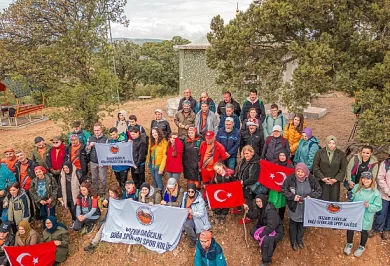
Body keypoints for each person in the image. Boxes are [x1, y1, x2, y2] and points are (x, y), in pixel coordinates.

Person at [282, 163, 322, 251]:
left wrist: (311, 196)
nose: (300, 173)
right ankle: (293, 241)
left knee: (303, 224)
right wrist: (293, 197)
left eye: (302, 172)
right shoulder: (291, 178)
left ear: (306, 172)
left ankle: (299, 240)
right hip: (294, 206)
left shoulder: (311, 178)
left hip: (307, 206)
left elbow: (319, 190)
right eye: (298, 171)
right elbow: (284, 190)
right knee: (293, 223)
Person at [343, 172, 382, 257]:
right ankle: (349, 243)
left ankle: (362, 246)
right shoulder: (357, 187)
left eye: (368, 178)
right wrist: (350, 196)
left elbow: (378, 207)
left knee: (364, 231)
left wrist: (369, 206)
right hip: (354, 213)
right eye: (363, 178)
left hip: (366, 215)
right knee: (350, 228)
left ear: (372, 180)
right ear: (361, 179)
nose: (365, 180)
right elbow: (352, 197)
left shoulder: (375, 193)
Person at [244, 194, 284, 266]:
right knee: (252, 231)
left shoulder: (270, 211)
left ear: (264, 201)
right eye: (257, 202)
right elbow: (253, 215)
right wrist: (247, 211)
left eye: (260, 201)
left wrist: (261, 234)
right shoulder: (260, 208)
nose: (258, 203)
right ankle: (262, 241)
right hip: (265, 226)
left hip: (277, 231)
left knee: (267, 240)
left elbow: (271, 226)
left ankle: (265, 261)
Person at [84, 184, 123, 254]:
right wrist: (105, 202)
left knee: (102, 228)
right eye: (110, 193)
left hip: (116, 220)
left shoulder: (120, 201)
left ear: (117, 193)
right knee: (102, 227)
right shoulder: (110, 198)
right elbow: (106, 202)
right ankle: (93, 244)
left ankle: (93, 244)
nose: (110, 194)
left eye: (112, 193)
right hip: (109, 218)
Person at [313, 135, 346, 202]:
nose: (331, 145)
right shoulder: (319, 153)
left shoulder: (341, 154)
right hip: (322, 182)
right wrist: (323, 178)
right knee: (322, 199)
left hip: (334, 183)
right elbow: (315, 167)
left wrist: (336, 179)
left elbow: (343, 168)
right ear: (326, 143)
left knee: (333, 201)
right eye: (329, 143)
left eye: (333, 143)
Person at [235, 145, 260, 224]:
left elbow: (253, 178)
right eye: (244, 153)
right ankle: (239, 209)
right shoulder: (243, 160)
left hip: (248, 185)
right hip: (241, 183)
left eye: (247, 153)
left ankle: (249, 216)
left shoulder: (255, 164)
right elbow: (239, 171)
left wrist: (244, 182)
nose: (246, 155)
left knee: (248, 199)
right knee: (239, 195)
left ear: (252, 153)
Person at [181, 184, 211, 248]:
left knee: (187, 225)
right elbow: (182, 206)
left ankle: (194, 240)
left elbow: (201, 214)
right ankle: (193, 235)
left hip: (197, 219)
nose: (190, 193)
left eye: (192, 192)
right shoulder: (185, 197)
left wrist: (193, 212)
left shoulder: (200, 200)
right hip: (187, 217)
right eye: (189, 191)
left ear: (195, 191)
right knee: (186, 225)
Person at [269, 150, 293, 220]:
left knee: (282, 203)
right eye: (280, 155)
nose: (282, 157)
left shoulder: (289, 165)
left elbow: (291, 177)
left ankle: (280, 218)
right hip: (274, 187)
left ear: (286, 156)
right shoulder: (274, 163)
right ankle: (271, 217)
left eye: (283, 155)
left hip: (283, 188)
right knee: (272, 202)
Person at [86, 123, 108, 198]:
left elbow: (108, 152)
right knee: (94, 178)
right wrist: (89, 146)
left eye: (98, 130)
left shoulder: (105, 139)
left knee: (102, 179)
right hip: (93, 161)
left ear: (101, 130)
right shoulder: (90, 138)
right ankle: (95, 192)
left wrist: (104, 161)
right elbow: (86, 151)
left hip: (102, 162)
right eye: (95, 130)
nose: (96, 132)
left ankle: (103, 193)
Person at [371, 151, 390, 239]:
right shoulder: (385, 164)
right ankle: (377, 228)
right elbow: (380, 178)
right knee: (381, 212)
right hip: (384, 194)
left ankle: (386, 229)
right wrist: (388, 191)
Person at [14, 151, 37, 218]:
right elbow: (17, 177)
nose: (20, 157)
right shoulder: (17, 165)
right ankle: (31, 215)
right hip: (23, 187)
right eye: (18, 156)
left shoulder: (33, 164)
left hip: (33, 186)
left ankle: (39, 215)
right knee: (27, 202)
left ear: (25, 155)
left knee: (36, 201)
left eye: (21, 155)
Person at [58, 162, 80, 228]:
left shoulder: (77, 173)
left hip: (75, 195)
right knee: (70, 208)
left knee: (74, 209)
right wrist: (59, 195)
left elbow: (82, 183)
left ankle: (77, 221)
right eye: (64, 168)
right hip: (67, 196)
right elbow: (59, 186)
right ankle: (74, 220)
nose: (65, 169)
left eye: (67, 168)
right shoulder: (62, 175)